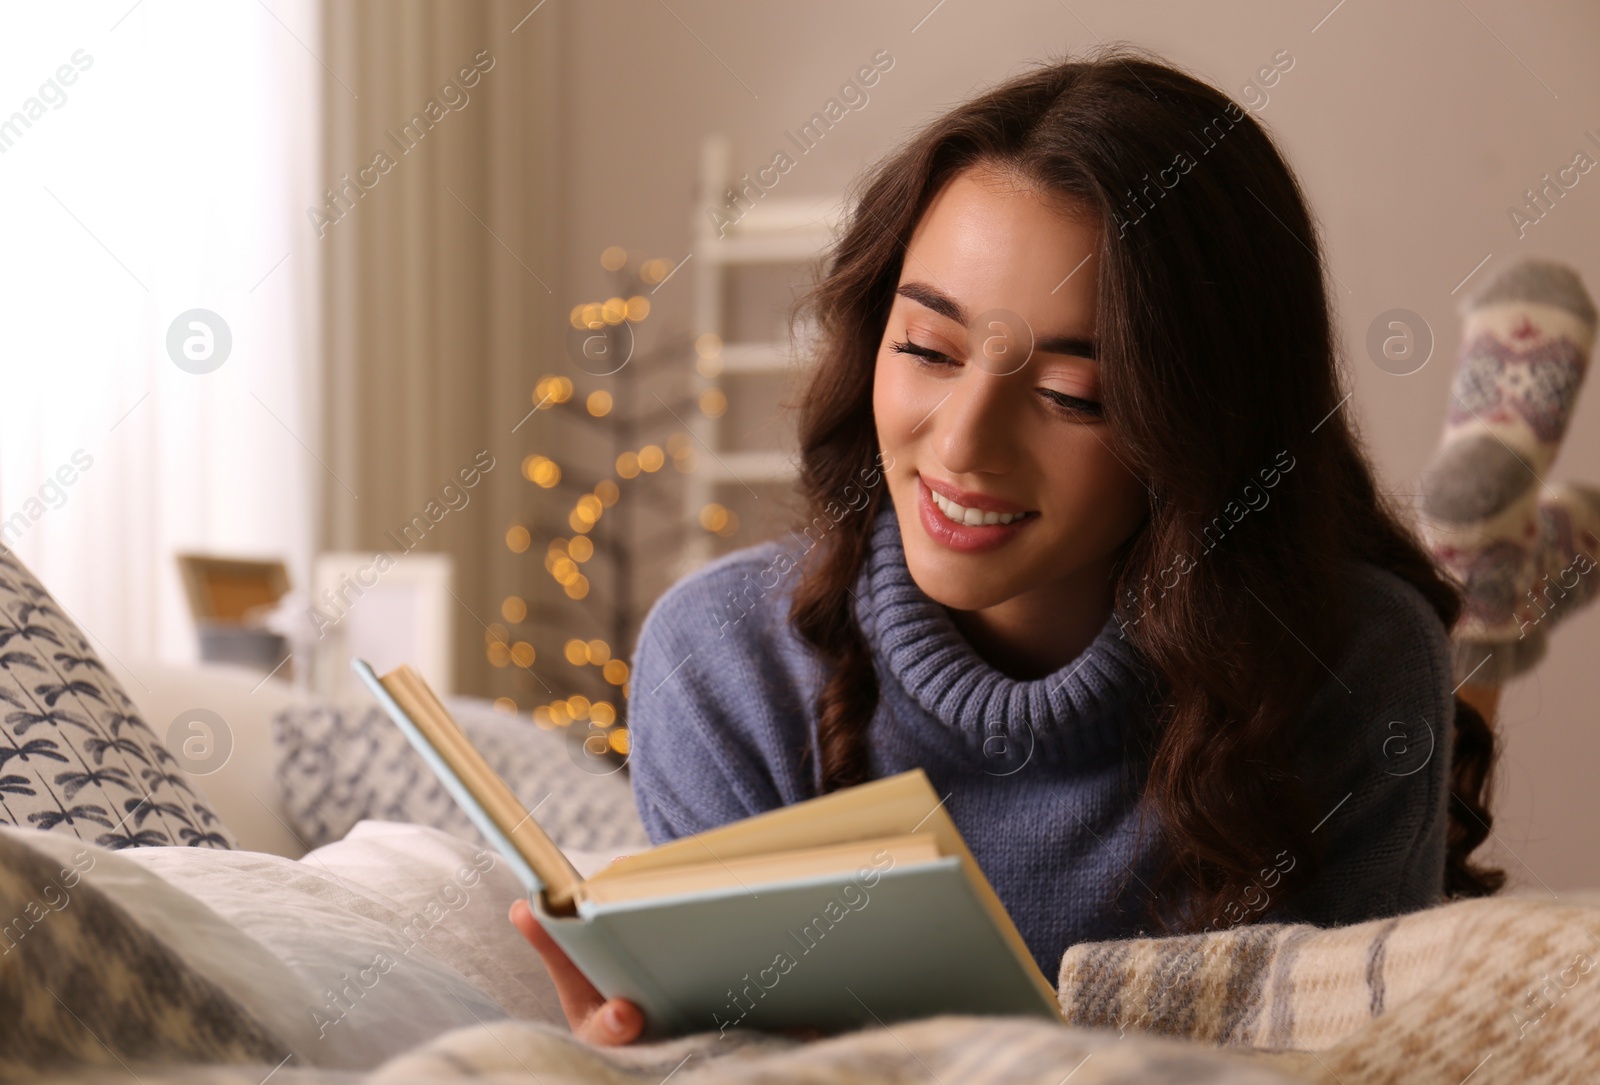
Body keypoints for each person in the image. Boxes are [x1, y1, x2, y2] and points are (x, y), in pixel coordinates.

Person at [510, 47, 1502, 1046]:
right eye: (927, 349)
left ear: (1206, 424)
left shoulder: (1355, 660)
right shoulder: (722, 660)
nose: (961, 442)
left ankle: (1496, 546)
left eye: (1074, 395)